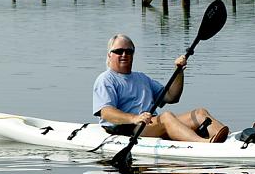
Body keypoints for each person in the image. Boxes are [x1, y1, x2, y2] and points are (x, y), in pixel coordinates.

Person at [93, 34, 229, 143]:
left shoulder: (142, 78)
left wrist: (179, 71)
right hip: (127, 128)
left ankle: (229, 140)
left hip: (150, 123)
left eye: (128, 51)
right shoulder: (105, 79)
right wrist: (134, 118)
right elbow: (106, 112)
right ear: (109, 55)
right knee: (166, 117)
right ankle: (204, 144)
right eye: (118, 51)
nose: (124, 54)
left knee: (200, 113)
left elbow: (171, 97)